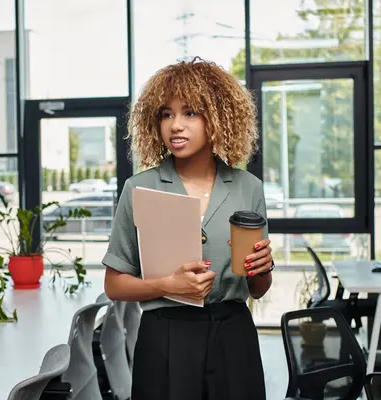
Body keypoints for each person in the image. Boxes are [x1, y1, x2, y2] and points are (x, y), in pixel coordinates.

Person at [102, 57, 274, 400]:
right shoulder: (139, 188)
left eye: (190, 113)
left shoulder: (248, 187)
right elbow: (114, 285)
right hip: (165, 338)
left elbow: (257, 289)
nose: (175, 125)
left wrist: (263, 267)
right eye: (167, 114)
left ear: (218, 118)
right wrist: (169, 285)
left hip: (233, 337)